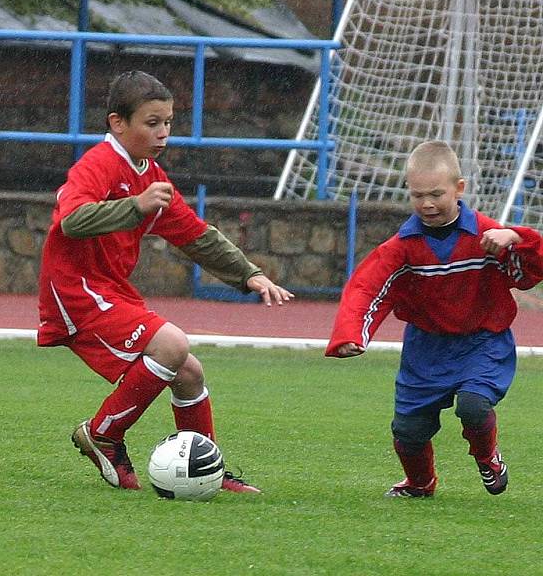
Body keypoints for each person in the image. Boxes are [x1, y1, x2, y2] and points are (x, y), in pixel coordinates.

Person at [37, 70, 293, 493]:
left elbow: (195, 235)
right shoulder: (98, 164)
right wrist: (133, 207)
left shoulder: (152, 176)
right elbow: (72, 220)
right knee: (172, 344)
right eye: (151, 123)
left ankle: (205, 466)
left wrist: (250, 273)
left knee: (189, 372)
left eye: (168, 123)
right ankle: (102, 433)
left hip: (110, 287)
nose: (163, 133)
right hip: (75, 288)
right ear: (118, 123)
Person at [326, 140, 543, 497]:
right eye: (417, 195)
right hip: (425, 349)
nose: (427, 204)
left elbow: (529, 272)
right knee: (408, 431)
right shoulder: (402, 247)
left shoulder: (487, 235)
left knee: (473, 407)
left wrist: (516, 238)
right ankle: (420, 484)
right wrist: (351, 334)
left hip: (483, 342)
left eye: (436, 194)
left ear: (460, 189)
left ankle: (488, 456)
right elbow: (367, 288)